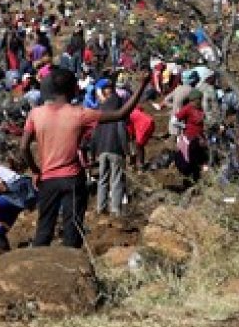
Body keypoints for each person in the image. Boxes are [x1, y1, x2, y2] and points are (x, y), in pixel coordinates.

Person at [20, 67, 149, 248]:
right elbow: (121, 114)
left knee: (44, 230)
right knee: (73, 231)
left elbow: (24, 147)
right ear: (72, 89)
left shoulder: (36, 114)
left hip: (48, 180)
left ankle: (39, 270)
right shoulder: (80, 113)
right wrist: (142, 85)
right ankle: (71, 270)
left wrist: (36, 171)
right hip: (73, 178)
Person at [91, 79, 127, 216]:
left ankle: (101, 207)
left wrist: (93, 152)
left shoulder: (101, 114)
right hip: (115, 149)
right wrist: (126, 150)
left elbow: (95, 134)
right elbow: (122, 133)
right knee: (116, 179)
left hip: (102, 150)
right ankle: (115, 209)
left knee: (102, 178)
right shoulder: (118, 114)